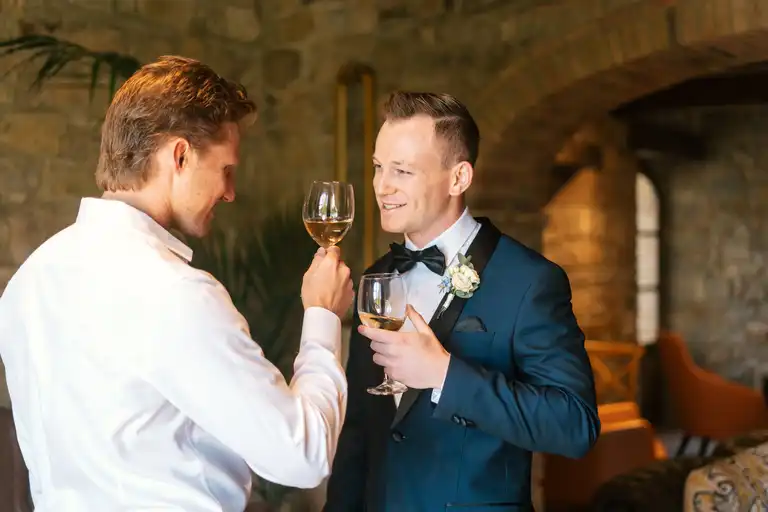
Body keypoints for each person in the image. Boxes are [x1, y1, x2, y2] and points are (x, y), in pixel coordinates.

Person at [0, 55, 353, 512]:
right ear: (180, 156)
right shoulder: (176, 291)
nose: (230, 192)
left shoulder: (27, 282)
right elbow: (302, 457)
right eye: (226, 169)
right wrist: (323, 316)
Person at [323, 91, 600, 512]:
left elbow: (574, 425)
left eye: (403, 170)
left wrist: (445, 374)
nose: (382, 186)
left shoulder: (530, 282)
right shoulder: (375, 277)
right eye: (379, 167)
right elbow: (359, 429)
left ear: (459, 178)